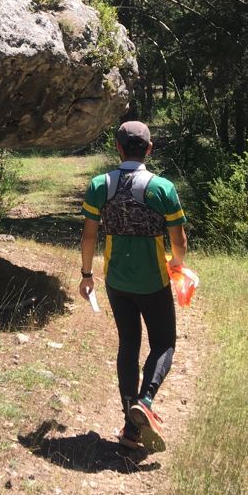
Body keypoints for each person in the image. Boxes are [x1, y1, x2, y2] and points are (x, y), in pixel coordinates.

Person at [79, 121, 188, 452]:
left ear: (118, 148)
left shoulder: (100, 185)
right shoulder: (163, 188)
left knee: (128, 342)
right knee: (164, 343)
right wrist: (176, 265)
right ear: (150, 149)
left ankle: (131, 426)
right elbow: (179, 240)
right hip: (153, 280)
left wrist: (87, 275)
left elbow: (88, 236)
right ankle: (146, 399)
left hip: (116, 280)